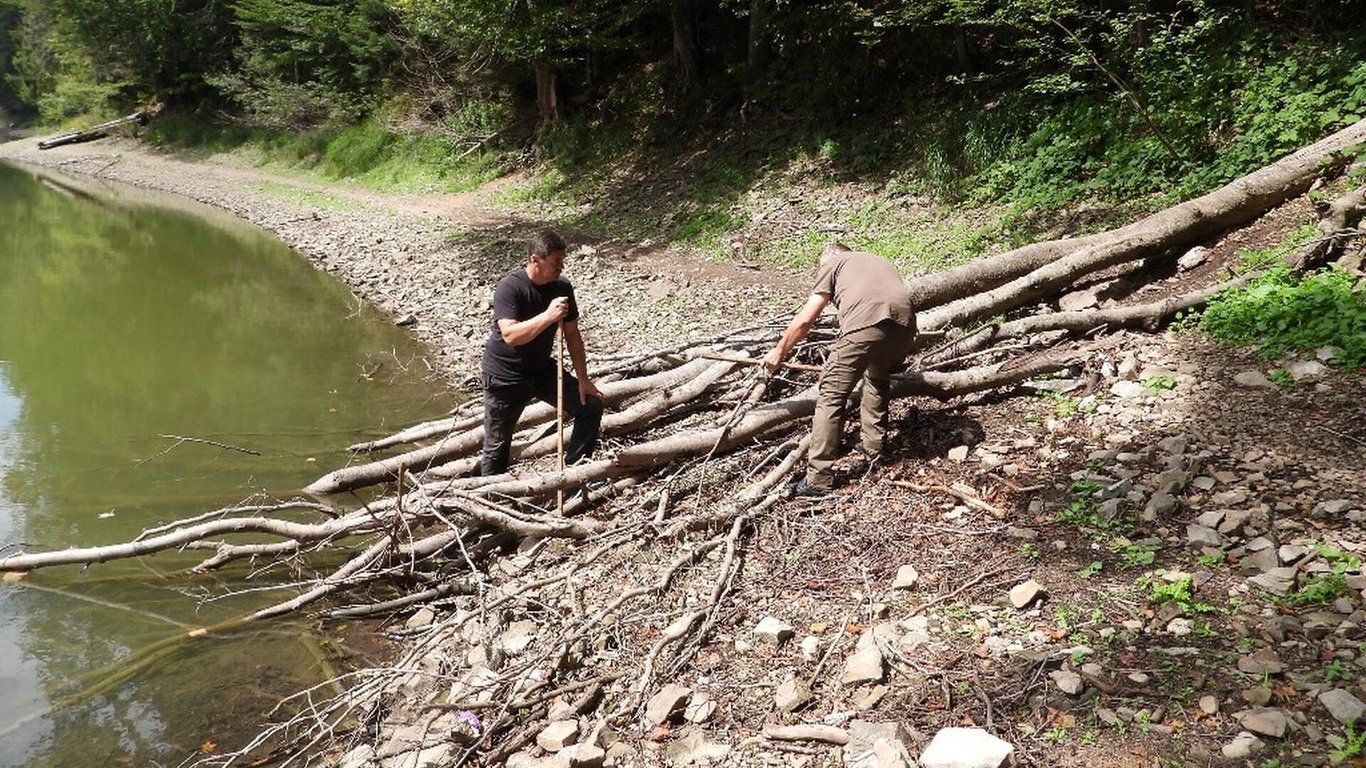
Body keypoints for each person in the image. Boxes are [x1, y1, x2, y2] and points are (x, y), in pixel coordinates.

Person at [763, 243, 917, 496]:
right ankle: (873, 447)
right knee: (876, 378)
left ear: (828, 259)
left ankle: (818, 479)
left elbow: (805, 319)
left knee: (831, 395)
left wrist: (779, 351)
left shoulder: (832, 263)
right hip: (905, 328)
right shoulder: (877, 259)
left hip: (867, 324)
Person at [480, 230, 604, 476]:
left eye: (562, 260)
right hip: (505, 376)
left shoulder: (562, 288)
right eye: (556, 261)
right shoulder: (510, 287)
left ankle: (572, 477)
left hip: (542, 370)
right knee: (497, 447)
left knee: (590, 406)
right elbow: (511, 335)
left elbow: (572, 334)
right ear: (536, 260)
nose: (562, 266)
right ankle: (488, 499)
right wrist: (548, 316)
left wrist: (583, 379)